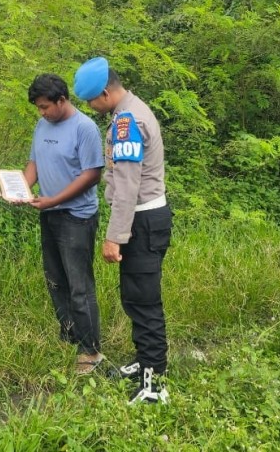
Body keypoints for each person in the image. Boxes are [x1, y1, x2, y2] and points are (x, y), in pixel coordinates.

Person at [73, 56, 173, 404]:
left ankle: (154, 383)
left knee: (144, 303)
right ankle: (146, 362)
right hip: (143, 219)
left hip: (141, 222)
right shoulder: (126, 113)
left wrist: (115, 237)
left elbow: (128, 186)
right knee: (134, 297)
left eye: (91, 101)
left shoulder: (127, 122)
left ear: (104, 92)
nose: (91, 107)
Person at [22, 74, 105, 374]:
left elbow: (91, 174)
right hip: (50, 213)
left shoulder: (85, 128)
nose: (41, 113)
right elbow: (34, 163)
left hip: (76, 217)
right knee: (55, 279)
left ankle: (90, 350)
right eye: (38, 108)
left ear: (62, 100)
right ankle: (70, 332)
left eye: (45, 106)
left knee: (79, 284)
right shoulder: (42, 125)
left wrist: (53, 199)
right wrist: (22, 188)